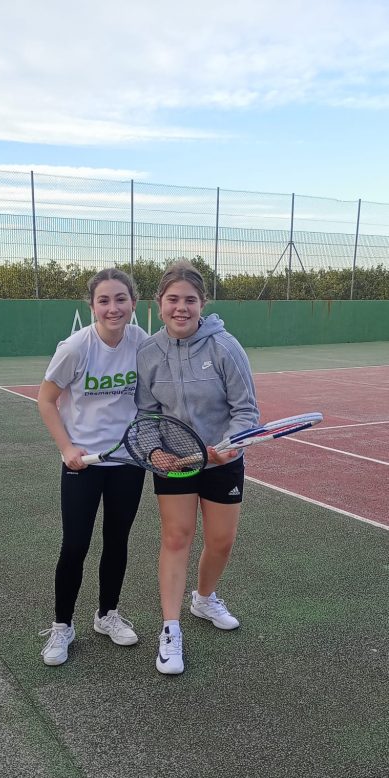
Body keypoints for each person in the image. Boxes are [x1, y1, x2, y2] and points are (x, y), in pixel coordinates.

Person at [135, 260, 259, 675]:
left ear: (202, 303)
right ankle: (170, 629)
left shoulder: (225, 347)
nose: (181, 308)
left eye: (190, 300)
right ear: (159, 303)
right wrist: (154, 452)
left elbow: (246, 411)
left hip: (222, 460)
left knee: (221, 541)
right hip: (173, 462)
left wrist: (229, 446)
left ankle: (204, 599)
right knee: (176, 537)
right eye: (173, 299)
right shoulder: (148, 353)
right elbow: (146, 413)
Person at [37, 268, 148, 666]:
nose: (113, 308)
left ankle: (107, 615)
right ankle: (62, 626)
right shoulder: (75, 347)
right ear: (92, 306)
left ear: (133, 303)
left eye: (120, 299)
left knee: (117, 540)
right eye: (104, 300)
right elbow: (46, 400)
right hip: (83, 463)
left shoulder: (142, 342)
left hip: (127, 461)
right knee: (75, 545)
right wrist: (67, 447)